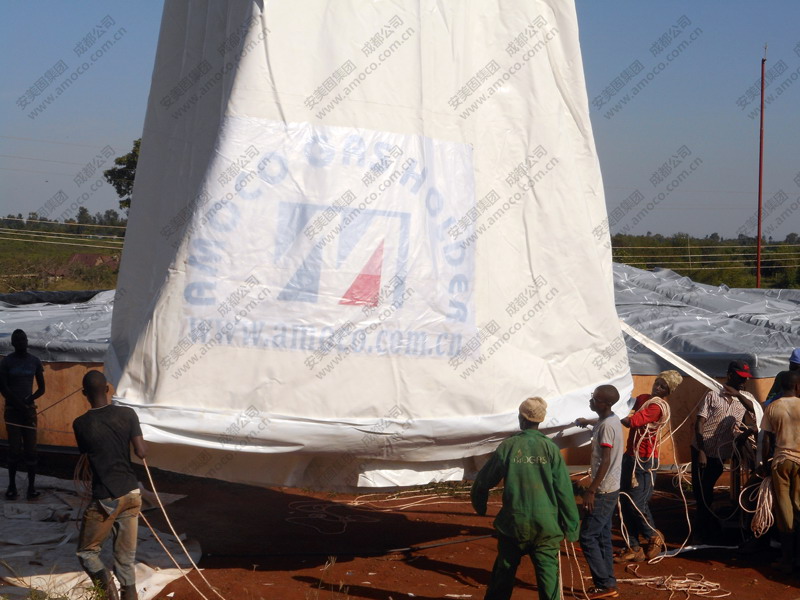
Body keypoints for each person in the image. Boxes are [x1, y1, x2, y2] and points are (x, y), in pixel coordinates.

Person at [471, 397, 580, 600]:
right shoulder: (551, 449)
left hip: (513, 524)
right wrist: (571, 526)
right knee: (549, 581)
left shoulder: (509, 446)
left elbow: (484, 480)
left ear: (521, 418)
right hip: (546, 527)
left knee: (503, 574)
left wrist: (480, 505)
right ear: (540, 420)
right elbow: (564, 490)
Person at [73, 370, 147, 600]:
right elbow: (141, 451)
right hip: (132, 493)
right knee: (125, 560)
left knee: (87, 553)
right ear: (107, 389)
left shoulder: (80, 424)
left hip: (106, 496)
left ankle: (108, 593)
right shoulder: (128, 414)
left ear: (84, 393)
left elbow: (87, 453)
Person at [615, 370, 683, 563]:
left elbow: (631, 421)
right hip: (631, 456)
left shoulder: (657, 407)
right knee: (625, 501)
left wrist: (610, 411)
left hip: (645, 460)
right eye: (657, 383)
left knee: (637, 502)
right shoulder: (644, 399)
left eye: (663, 387)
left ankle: (653, 535)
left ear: (668, 391)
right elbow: (627, 402)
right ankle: (633, 547)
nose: (657, 387)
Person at [690, 360, 757, 542]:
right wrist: (701, 451)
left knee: (707, 489)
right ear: (730, 375)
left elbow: (757, 418)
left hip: (721, 453)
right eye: (740, 377)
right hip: (702, 450)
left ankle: (705, 528)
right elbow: (699, 422)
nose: (744, 381)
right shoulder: (712, 394)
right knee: (701, 491)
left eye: (746, 378)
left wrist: (746, 433)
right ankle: (701, 530)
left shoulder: (746, 397)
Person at [575, 385, 623, 599]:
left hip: (603, 490)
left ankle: (604, 584)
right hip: (611, 487)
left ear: (606, 404)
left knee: (587, 536)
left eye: (595, 399)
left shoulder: (606, 428)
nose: (591, 401)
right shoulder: (610, 419)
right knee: (602, 536)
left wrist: (591, 490)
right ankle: (608, 582)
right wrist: (588, 421)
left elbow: (605, 460)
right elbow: (602, 423)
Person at [759, 370, 800, 574]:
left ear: (781, 386)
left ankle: (786, 559)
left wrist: (764, 464)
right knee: (798, 505)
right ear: (797, 387)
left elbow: (766, 439)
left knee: (784, 509)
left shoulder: (773, 407)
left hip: (781, 461)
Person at [0, 329, 45, 500]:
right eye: (17, 340)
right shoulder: (6, 362)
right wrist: (20, 405)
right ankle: (12, 486)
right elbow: (3, 388)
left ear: (27, 341)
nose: (21, 342)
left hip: (29, 412)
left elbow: (42, 388)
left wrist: (29, 400)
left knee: (31, 451)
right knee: (14, 450)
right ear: (12, 343)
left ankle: (31, 488)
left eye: (23, 339)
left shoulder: (34, 361)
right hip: (12, 412)